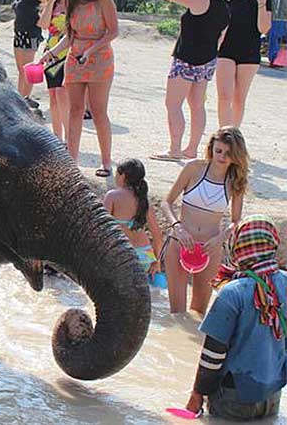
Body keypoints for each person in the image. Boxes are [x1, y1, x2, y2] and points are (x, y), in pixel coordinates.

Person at [119, 0, 231, 162]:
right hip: (208, 60)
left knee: (173, 104)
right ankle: (192, 149)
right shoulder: (225, 8)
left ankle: (175, 149)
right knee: (197, 105)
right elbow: (221, 37)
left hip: (186, 58)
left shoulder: (199, 0)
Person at [185, 215, 286, 420]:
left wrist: (197, 394)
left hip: (234, 398)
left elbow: (213, 355)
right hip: (273, 395)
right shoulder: (284, 282)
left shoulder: (233, 292)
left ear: (238, 247)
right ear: (272, 243)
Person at [36, 0, 118, 177]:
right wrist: (50, 54)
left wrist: (91, 51)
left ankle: (106, 162)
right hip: (75, 59)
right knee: (74, 111)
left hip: (99, 60)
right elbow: (70, 35)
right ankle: (72, 162)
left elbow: (113, 31)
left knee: (99, 111)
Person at [159, 127, 249, 314]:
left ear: (236, 155)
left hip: (210, 249)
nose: (222, 157)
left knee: (199, 313)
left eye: (228, 153)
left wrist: (221, 238)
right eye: (218, 151)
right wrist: (177, 227)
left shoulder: (236, 180)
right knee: (177, 314)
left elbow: (236, 220)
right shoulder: (194, 168)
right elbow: (166, 203)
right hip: (179, 243)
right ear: (211, 148)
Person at [216, 0, 273, 128]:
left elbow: (263, 28)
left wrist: (261, 3)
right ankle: (223, 133)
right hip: (227, 49)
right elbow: (223, 24)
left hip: (249, 52)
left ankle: (233, 136)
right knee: (224, 95)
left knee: (239, 98)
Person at [103, 159, 165, 284]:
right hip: (145, 256)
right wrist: (156, 261)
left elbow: (101, 228)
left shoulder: (113, 196)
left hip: (122, 254)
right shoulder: (144, 200)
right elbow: (158, 236)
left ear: (122, 175)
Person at [38, 0, 69, 140]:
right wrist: (50, 1)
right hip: (51, 51)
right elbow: (42, 24)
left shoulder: (76, 1)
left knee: (63, 94)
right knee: (53, 95)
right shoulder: (53, 1)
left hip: (69, 51)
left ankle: (69, 137)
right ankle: (58, 137)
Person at [10, 0, 47, 104]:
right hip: (19, 33)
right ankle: (20, 97)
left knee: (29, 68)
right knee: (20, 69)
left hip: (30, 33)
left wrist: (42, 13)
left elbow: (49, 0)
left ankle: (26, 97)